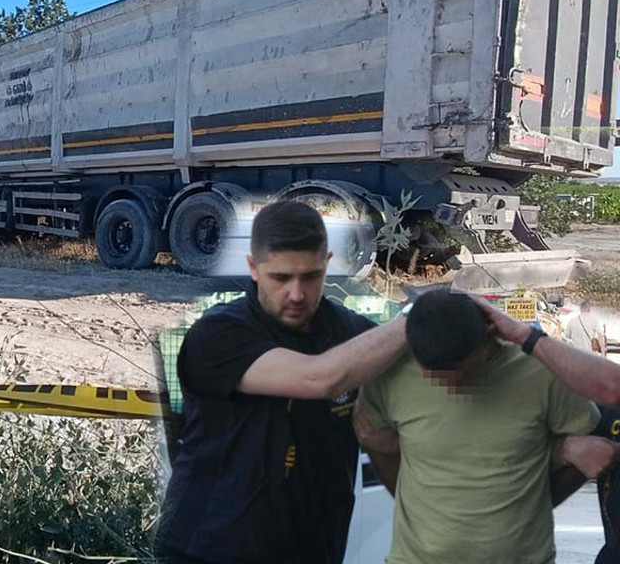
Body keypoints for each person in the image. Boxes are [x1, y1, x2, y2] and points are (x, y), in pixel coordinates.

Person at [155, 200, 409, 564]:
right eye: (281, 278)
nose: (296, 293)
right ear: (253, 268)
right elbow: (318, 377)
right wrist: (412, 320)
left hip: (313, 550)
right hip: (210, 550)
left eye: (310, 277)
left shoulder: (349, 332)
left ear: (328, 263)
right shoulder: (217, 334)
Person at [354, 291, 612, 564]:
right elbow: (376, 441)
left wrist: (532, 505)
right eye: (435, 378)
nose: (451, 390)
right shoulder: (391, 373)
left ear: (490, 339)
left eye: (462, 374)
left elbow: (593, 452)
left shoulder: (540, 371)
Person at [480, 298, 620, 563]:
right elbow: (586, 456)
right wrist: (567, 449)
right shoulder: (608, 414)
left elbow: (612, 386)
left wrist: (527, 337)